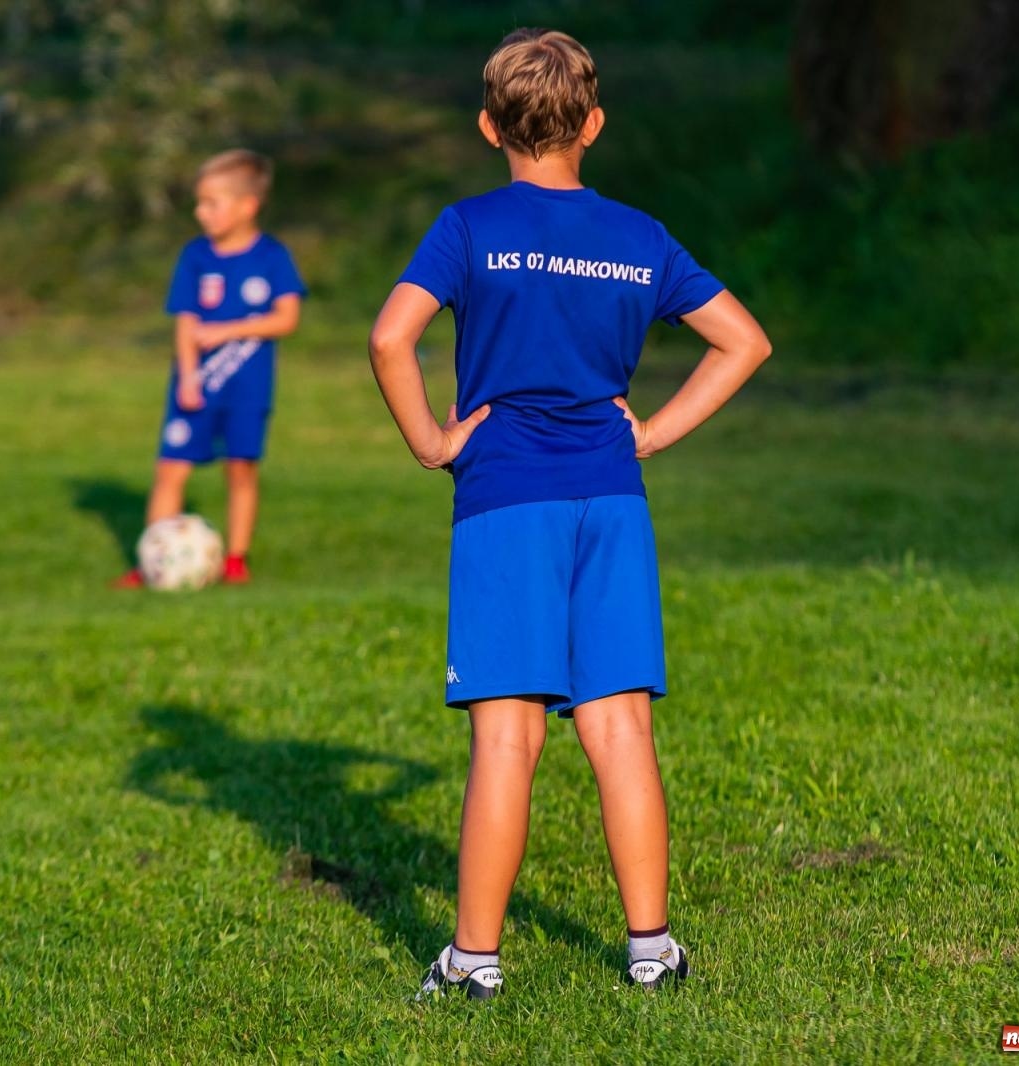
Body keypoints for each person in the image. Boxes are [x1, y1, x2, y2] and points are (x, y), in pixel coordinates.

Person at [368, 28, 772, 999]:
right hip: (611, 500)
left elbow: (389, 338)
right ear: (593, 124)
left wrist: (430, 441)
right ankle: (651, 950)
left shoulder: (467, 227)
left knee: (508, 737)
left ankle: (473, 962)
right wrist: (652, 432)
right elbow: (743, 341)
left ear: (487, 127)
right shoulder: (639, 236)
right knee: (620, 728)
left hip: (507, 500)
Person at [115, 149, 306, 588]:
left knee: (240, 469)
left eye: (211, 203)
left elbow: (287, 319)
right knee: (170, 469)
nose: (201, 213)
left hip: (247, 390)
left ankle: (235, 560)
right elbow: (185, 321)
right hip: (195, 385)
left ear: (247, 206)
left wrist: (227, 331)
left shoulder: (272, 257)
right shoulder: (195, 257)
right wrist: (187, 376)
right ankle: (153, 561)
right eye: (199, 203)